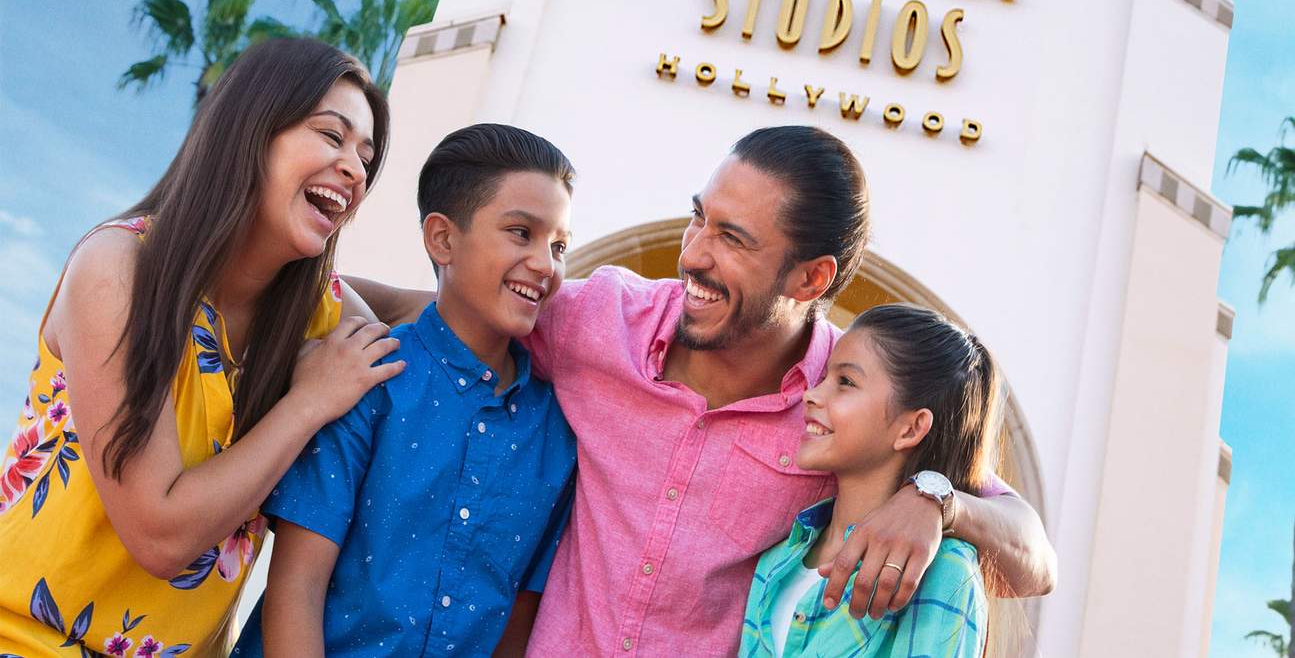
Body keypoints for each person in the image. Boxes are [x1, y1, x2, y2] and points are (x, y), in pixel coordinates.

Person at [352, 124, 1057, 656]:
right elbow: (439, 311)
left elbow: (1034, 561)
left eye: (732, 238)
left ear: (810, 279)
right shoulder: (597, 321)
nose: (693, 254)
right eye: (698, 218)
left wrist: (939, 502)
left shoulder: (837, 408)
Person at [0, 38, 406, 656]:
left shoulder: (314, 309)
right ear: (250, 131)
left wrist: (565, 292)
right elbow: (159, 535)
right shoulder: (119, 269)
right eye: (331, 135)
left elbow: (449, 319)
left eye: (366, 157)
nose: (355, 170)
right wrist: (308, 402)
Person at [235, 124, 578, 658]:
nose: (545, 264)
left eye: (559, 245)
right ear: (443, 239)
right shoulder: (366, 375)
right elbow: (295, 589)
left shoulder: (557, 432)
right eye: (520, 232)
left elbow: (517, 625)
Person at [741, 304, 1001, 657]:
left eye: (845, 382)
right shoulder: (778, 560)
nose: (812, 395)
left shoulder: (943, 569)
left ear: (911, 428)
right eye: (824, 378)